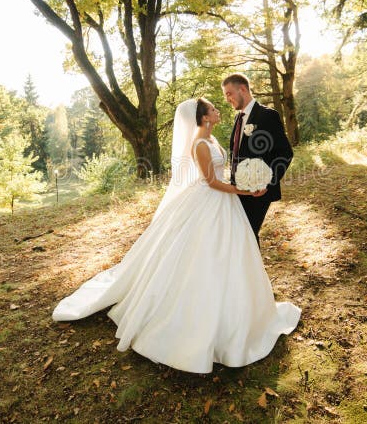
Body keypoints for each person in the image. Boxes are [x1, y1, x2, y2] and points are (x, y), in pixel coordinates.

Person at [51, 98, 300, 374]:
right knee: (203, 255)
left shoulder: (212, 139)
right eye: (214, 109)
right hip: (209, 201)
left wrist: (249, 178)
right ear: (204, 117)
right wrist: (245, 190)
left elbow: (223, 174)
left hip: (224, 205)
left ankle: (242, 313)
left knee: (233, 254)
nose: (219, 111)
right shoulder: (200, 144)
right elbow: (213, 183)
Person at [222, 73, 293, 244]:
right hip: (238, 190)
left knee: (246, 235)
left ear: (243, 89)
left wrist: (267, 182)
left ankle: (252, 271)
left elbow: (284, 153)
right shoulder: (238, 118)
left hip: (258, 192)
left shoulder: (267, 115)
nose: (227, 99)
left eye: (229, 93)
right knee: (243, 236)